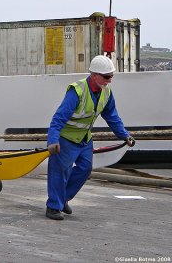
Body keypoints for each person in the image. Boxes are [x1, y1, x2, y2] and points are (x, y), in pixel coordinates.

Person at [45, 55, 135, 220]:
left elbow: (112, 116)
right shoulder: (77, 91)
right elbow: (58, 119)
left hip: (84, 138)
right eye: (106, 77)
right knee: (60, 171)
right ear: (94, 75)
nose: (109, 80)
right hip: (66, 138)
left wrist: (125, 135)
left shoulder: (106, 92)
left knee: (85, 168)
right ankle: (53, 207)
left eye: (111, 76)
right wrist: (53, 141)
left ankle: (62, 198)